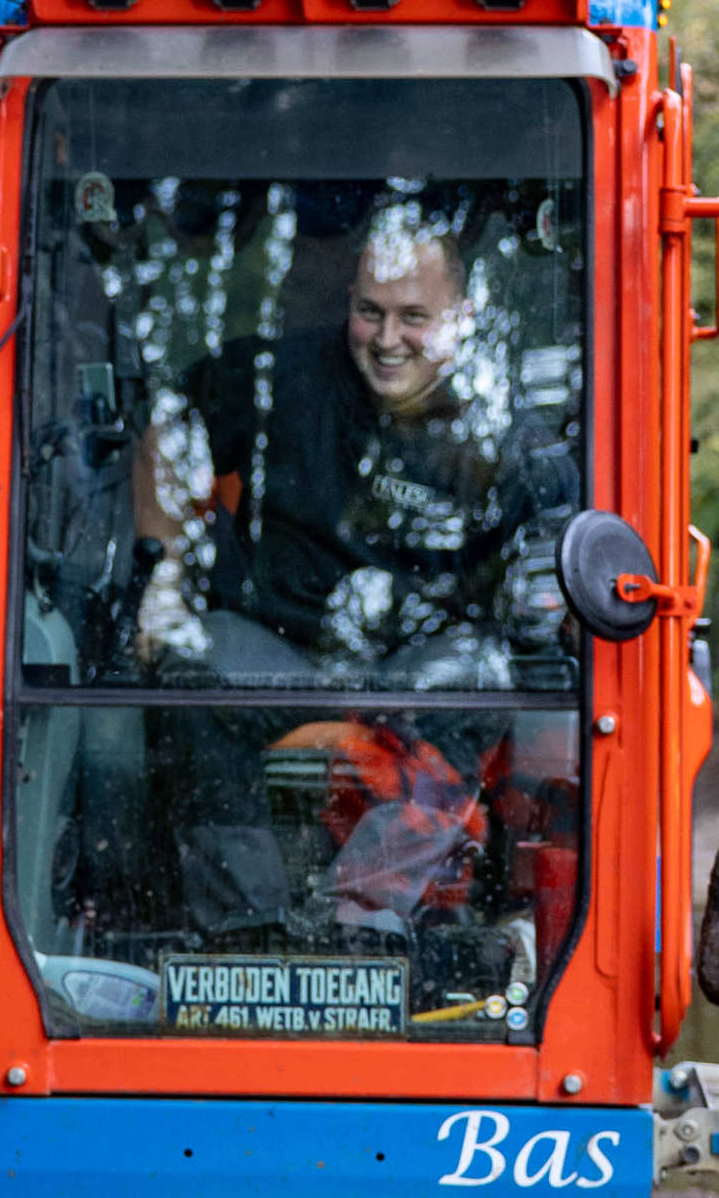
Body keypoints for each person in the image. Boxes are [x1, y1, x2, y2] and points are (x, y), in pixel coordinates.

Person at [128, 226, 578, 942]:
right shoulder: (281, 379)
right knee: (196, 654)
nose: (387, 338)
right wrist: (164, 583)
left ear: (461, 317)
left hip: (418, 680)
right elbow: (169, 426)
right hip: (280, 656)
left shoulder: (509, 434)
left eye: (413, 317)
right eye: (371, 311)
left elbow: (548, 584)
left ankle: (368, 926)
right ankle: (248, 934)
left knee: (488, 670)